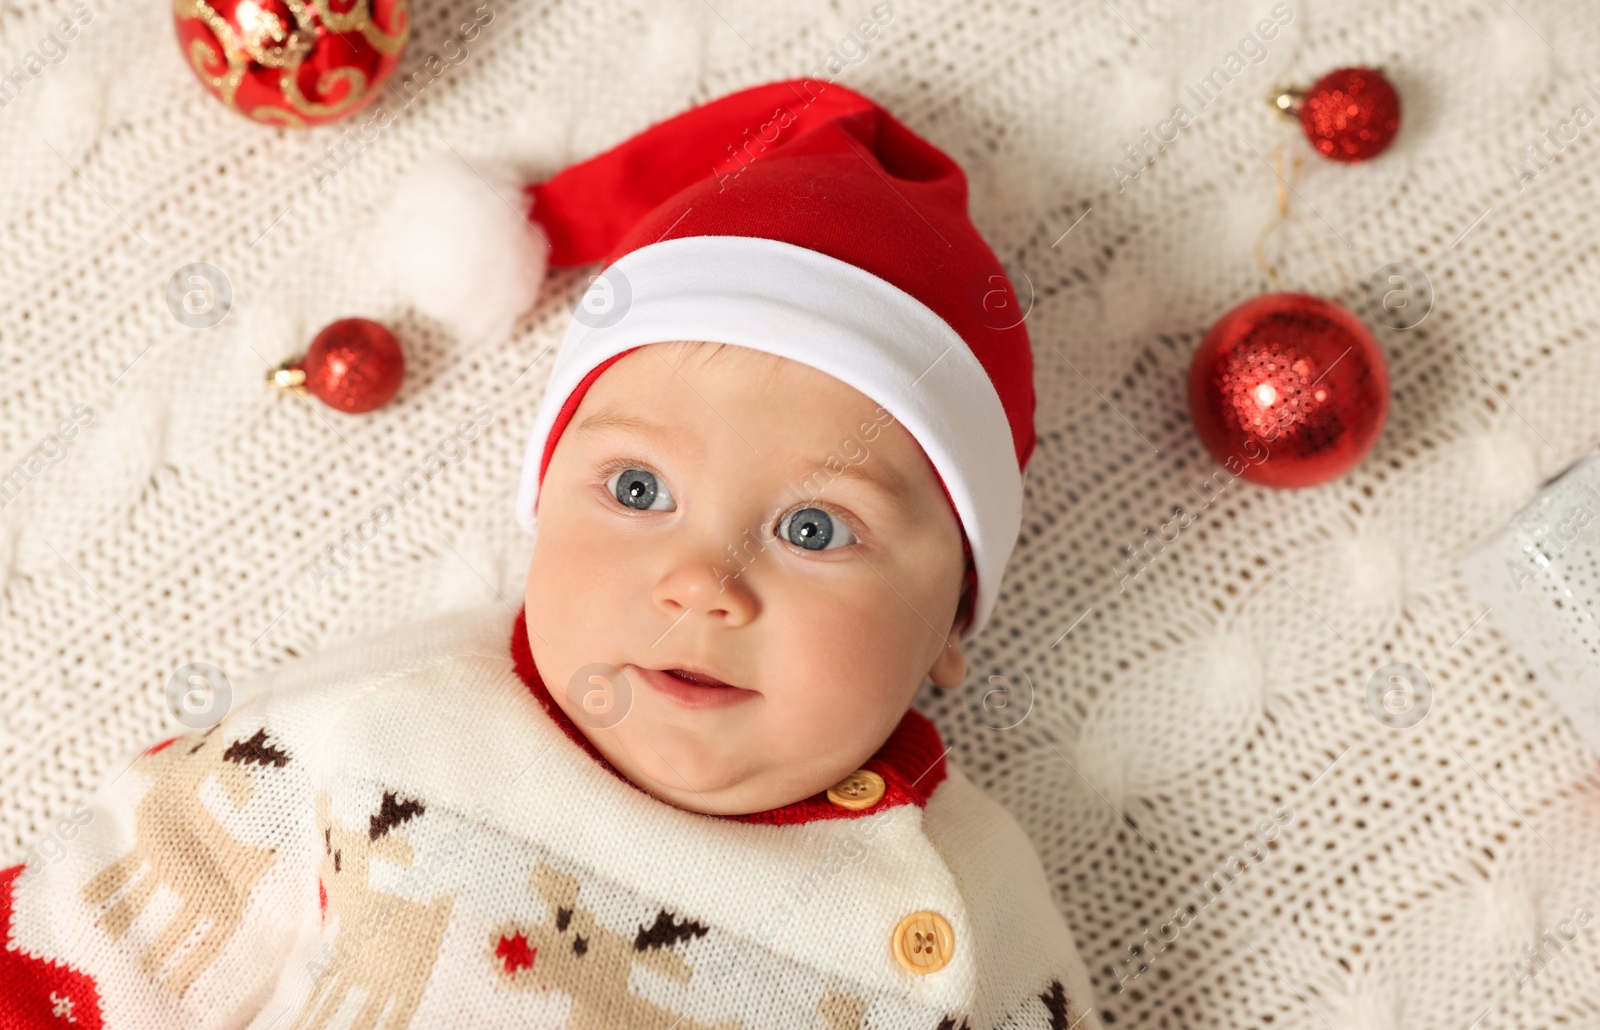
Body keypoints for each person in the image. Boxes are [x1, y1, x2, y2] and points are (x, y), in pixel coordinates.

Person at [0, 78, 1097, 1030]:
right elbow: (94, 942)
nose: (701, 584)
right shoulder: (388, 724)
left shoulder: (975, 902)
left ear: (952, 621)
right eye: (636, 490)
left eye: (814, 528)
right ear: (542, 509)